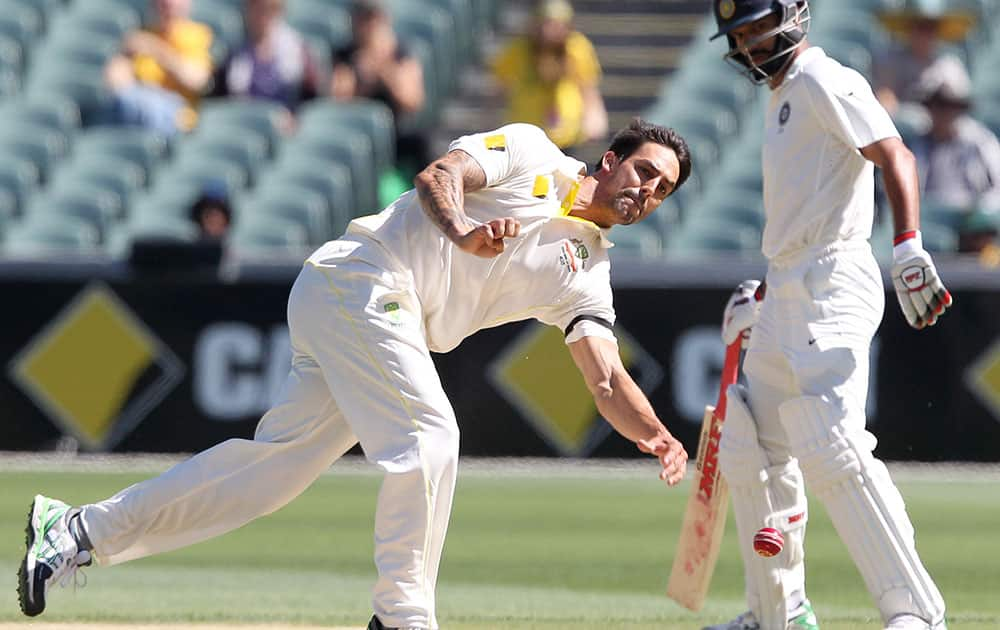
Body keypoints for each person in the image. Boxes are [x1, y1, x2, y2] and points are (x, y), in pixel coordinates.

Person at [17, 119, 692, 630]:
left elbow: (605, 380)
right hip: (362, 279)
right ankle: (402, 616)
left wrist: (657, 433)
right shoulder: (533, 154)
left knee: (269, 475)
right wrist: (461, 232)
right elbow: (437, 176)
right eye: (643, 170)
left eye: (663, 188)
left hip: (374, 319)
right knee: (430, 437)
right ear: (611, 159)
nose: (648, 190)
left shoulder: (591, 271)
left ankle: (77, 531)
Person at [706, 2, 952, 630]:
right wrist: (767, 295)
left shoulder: (823, 77)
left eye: (758, 28)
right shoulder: (782, 97)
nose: (752, 45)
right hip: (790, 283)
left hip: (835, 279)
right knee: (748, 438)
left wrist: (908, 246)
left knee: (830, 442)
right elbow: (799, 217)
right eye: (741, 36)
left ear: (791, 16)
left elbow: (896, 154)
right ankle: (777, 614)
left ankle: (915, 613)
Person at [492, 0, 608, 151]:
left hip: (566, 136)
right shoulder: (518, 50)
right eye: (545, 24)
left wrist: (595, 115)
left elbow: (587, 85)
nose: (549, 32)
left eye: (556, 25)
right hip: (526, 135)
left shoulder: (576, 48)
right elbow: (500, 86)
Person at [330, 0, 428, 173]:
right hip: (358, 134)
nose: (369, 26)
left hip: (395, 132)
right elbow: (338, 101)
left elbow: (412, 102)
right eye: (363, 18)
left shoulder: (400, 53)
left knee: (422, 142)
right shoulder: (344, 55)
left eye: (374, 18)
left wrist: (383, 70)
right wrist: (361, 76)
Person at [103, 0, 214, 135]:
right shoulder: (144, 34)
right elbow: (116, 83)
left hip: (178, 116)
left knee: (144, 105)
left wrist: (156, 51)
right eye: (162, 3)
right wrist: (123, 60)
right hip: (138, 108)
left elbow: (197, 80)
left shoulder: (197, 35)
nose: (168, 6)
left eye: (173, 3)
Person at [908, 57, 1000, 209]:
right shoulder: (917, 145)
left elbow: (996, 192)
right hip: (926, 221)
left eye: (950, 105)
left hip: (970, 226)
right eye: (938, 104)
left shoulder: (981, 144)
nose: (944, 112)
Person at [871, 1, 975, 124]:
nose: (925, 34)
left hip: (942, 135)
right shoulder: (890, 61)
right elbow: (885, 98)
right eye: (920, 27)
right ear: (909, 29)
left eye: (930, 28)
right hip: (901, 131)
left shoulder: (950, 66)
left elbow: (958, 110)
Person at [210, 0, 319, 113]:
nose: (261, 16)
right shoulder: (234, 50)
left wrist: (295, 118)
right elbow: (220, 98)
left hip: (285, 122)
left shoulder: (298, 49)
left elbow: (311, 100)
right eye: (256, 9)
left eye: (269, 9)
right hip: (244, 119)